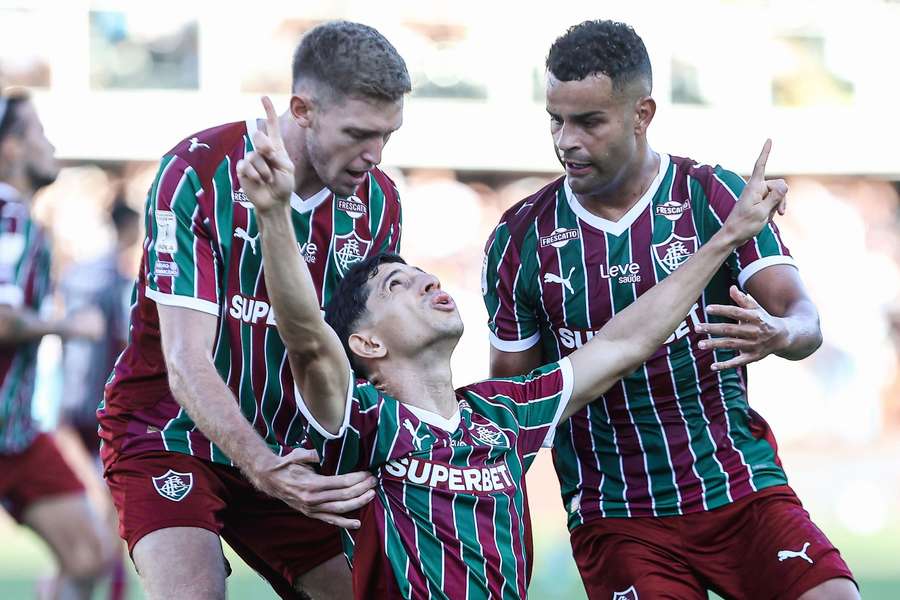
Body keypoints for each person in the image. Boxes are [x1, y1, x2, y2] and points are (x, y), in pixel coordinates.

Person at [236, 90, 786, 599]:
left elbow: (627, 340)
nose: (427, 281)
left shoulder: (503, 414)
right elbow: (308, 339)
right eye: (396, 285)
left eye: (423, 273)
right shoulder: (362, 420)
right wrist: (274, 214)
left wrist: (727, 237)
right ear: (366, 344)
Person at [482, 20, 858, 600]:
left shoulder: (713, 196)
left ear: (643, 113)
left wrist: (781, 332)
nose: (565, 141)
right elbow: (514, 403)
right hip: (617, 512)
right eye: (555, 119)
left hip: (737, 484)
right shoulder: (521, 238)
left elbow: (805, 318)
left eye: (589, 121)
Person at [96, 21, 408, 600]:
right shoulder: (197, 171)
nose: (375, 156)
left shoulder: (379, 202)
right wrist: (261, 465)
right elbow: (185, 358)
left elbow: (363, 358)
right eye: (360, 134)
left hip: (290, 450)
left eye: (388, 135)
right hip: (168, 431)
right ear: (302, 108)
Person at [0, 88, 113, 599]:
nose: (51, 145)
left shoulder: (25, 220)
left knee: (88, 555)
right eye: (39, 132)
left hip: (16, 433)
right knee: (87, 556)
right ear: (12, 149)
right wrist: (69, 326)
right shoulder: (9, 214)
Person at [56, 199, 140, 600]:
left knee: (104, 514)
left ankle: (76, 585)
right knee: (110, 515)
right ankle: (107, 591)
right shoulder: (122, 279)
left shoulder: (81, 273)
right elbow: (127, 342)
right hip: (105, 405)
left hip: (71, 404)